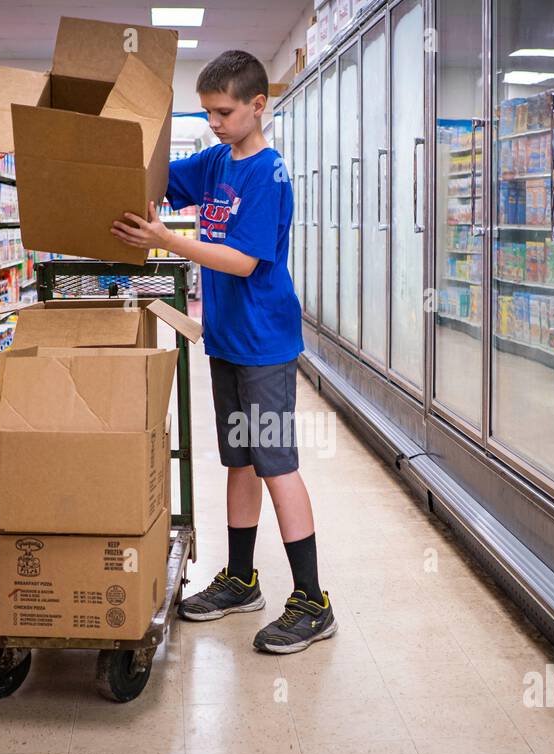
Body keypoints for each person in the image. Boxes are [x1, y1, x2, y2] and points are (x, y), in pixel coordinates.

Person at [110, 49, 335, 655]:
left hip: (264, 341)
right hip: (228, 340)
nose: (214, 122)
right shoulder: (215, 161)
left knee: (276, 464)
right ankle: (241, 580)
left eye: (224, 112)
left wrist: (169, 242)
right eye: (208, 112)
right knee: (239, 460)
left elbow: (243, 259)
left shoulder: (268, 174)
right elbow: (157, 175)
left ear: (257, 106)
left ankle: (313, 601)